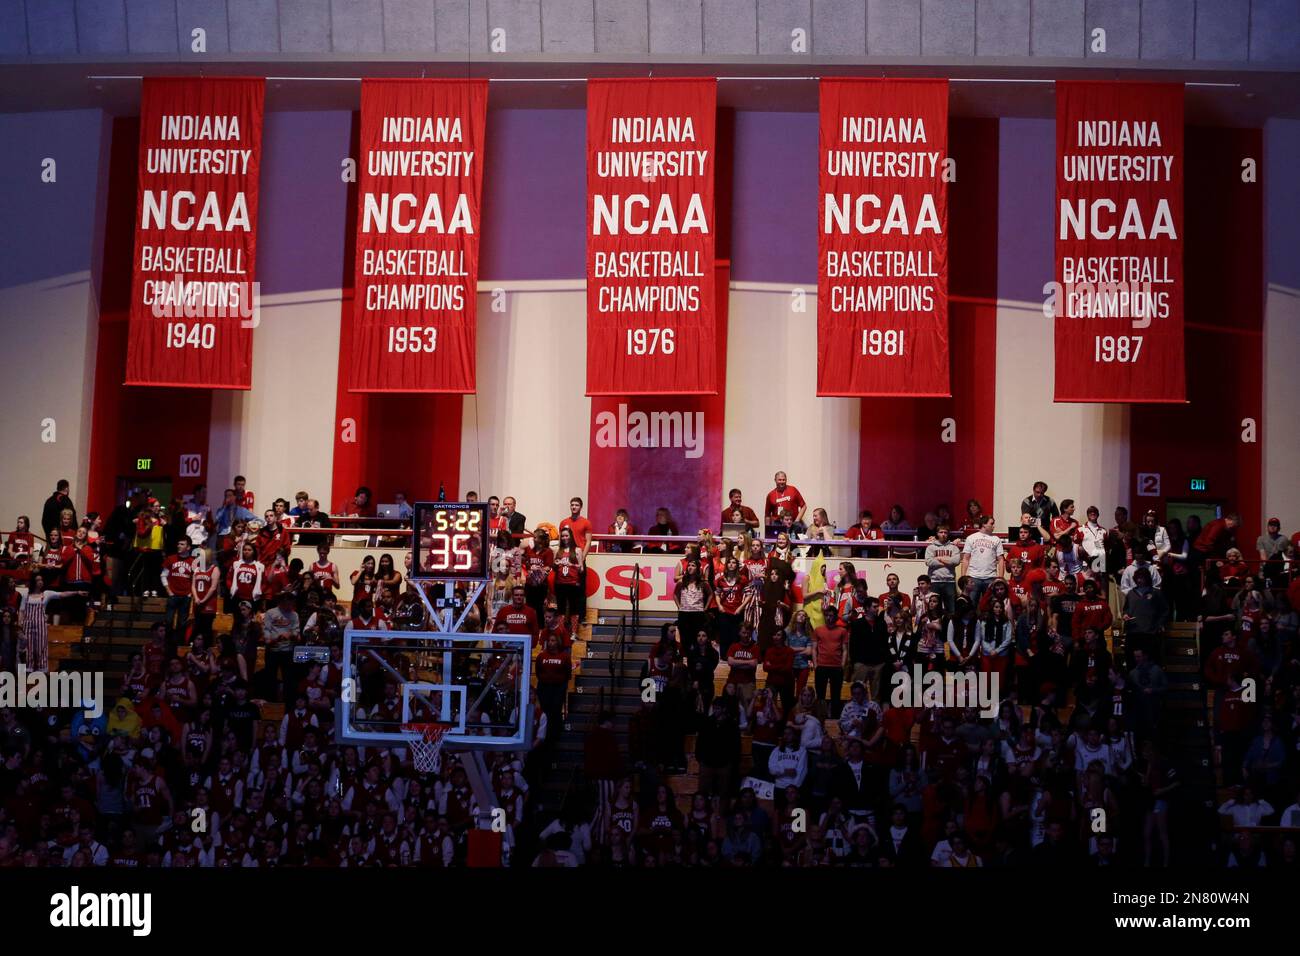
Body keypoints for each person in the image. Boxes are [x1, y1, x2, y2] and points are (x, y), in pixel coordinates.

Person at [960, 515, 1005, 607]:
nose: (993, 526)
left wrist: (1000, 578)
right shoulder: (971, 538)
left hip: (991, 578)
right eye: (991, 523)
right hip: (973, 577)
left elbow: (1001, 560)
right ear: (984, 524)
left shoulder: (996, 540)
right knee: (971, 605)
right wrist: (963, 577)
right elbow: (965, 558)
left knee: (990, 606)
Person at [812, 606, 849, 718]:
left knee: (836, 695)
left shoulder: (842, 631)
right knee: (820, 695)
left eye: (831, 615)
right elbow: (814, 648)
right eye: (827, 615)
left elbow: (845, 650)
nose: (829, 618)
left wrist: (842, 665)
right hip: (821, 666)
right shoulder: (818, 630)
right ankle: (820, 717)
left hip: (836, 667)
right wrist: (815, 665)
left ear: (836, 616)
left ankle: (835, 718)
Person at [765, 471, 807, 537]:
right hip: (777, 523)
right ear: (775, 480)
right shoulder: (771, 495)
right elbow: (767, 515)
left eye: (783, 480)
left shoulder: (793, 490)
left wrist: (797, 520)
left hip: (792, 522)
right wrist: (767, 531)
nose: (782, 482)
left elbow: (804, 506)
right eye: (779, 480)